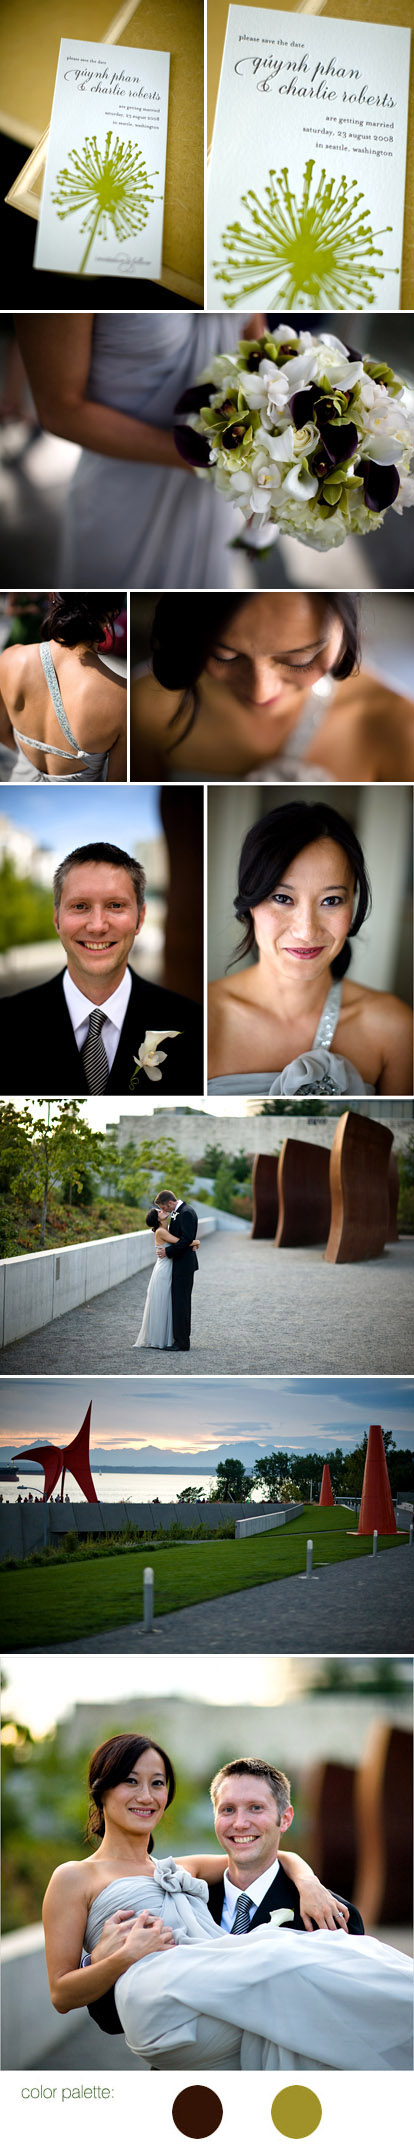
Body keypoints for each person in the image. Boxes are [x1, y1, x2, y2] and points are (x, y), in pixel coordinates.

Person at [42, 1734, 412, 2072]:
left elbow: (277, 1857)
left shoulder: (179, 1871)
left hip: (287, 2093)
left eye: (157, 1783)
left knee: (294, 1951)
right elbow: (68, 1997)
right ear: (101, 1790)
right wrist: (112, 1958)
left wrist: (310, 1883)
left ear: (284, 1818)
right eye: (130, 1781)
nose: (146, 1795)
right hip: (169, 2034)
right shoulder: (74, 1877)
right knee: (278, 1953)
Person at [14, 312, 266, 589]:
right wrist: (205, 457)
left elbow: (257, 344)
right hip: (126, 496)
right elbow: (59, 411)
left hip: (215, 490)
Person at [208, 801, 412, 1097]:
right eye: (282, 898)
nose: (306, 931)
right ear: (251, 902)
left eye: (331, 901)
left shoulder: (395, 1028)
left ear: (353, 905)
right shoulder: (201, 1018)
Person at [131, 592, 414, 783]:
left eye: (299, 660)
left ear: (347, 625)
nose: (260, 693)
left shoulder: (401, 730)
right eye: (224, 656)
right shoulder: (144, 706)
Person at [4, 842, 203, 1096]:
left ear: (140, 919)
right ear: (57, 919)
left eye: (115, 906)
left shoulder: (195, 1025)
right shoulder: (6, 1023)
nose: (97, 926)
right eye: (80, 906)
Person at [0, 593, 127, 783]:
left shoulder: (10, 659)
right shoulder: (122, 698)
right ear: (112, 612)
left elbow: (2, 732)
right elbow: (116, 781)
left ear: (56, 599)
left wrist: (28, 756)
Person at [134, 1204, 199, 1351]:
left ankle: (165, 1337)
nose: (162, 1211)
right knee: (162, 1303)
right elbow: (182, 1242)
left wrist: (191, 1245)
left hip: (170, 1268)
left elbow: (181, 1243)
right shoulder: (161, 1232)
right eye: (158, 1211)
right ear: (156, 1219)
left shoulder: (166, 1229)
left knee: (166, 1304)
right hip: (163, 1271)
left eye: (161, 1208)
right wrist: (196, 1242)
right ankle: (158, 1338)